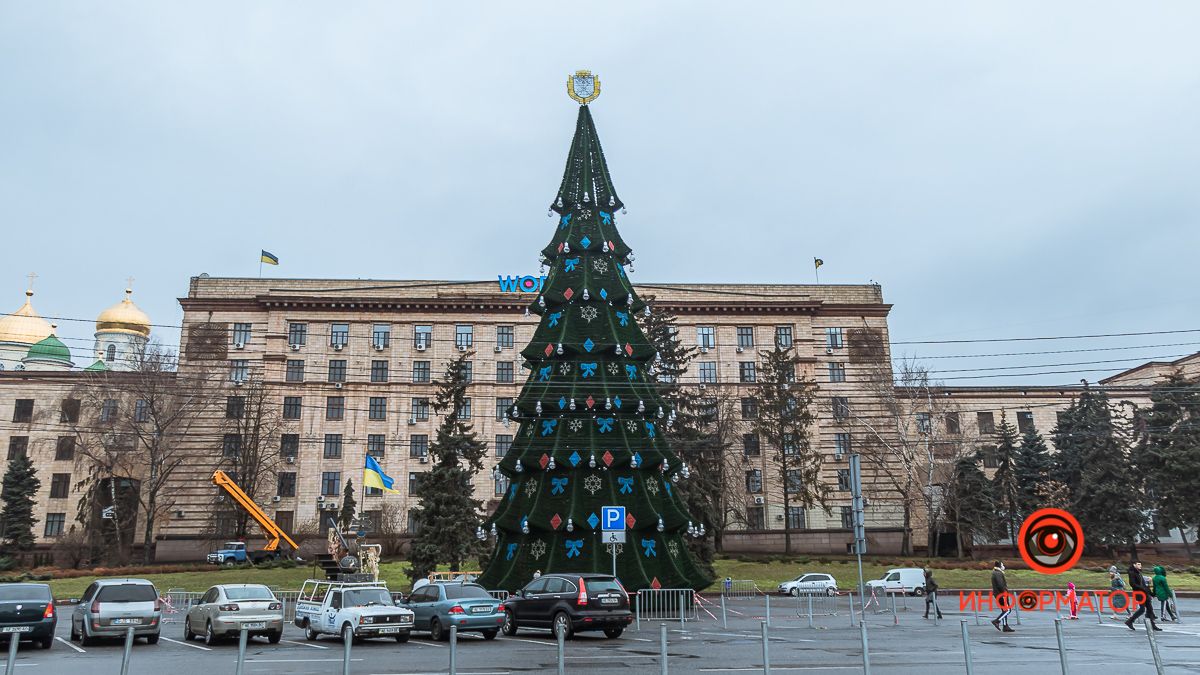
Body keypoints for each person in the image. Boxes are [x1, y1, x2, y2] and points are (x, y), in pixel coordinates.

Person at [1126, 561, 1162, 631]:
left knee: (1150, 609)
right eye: (1138, 564)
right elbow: (1133, 584)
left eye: (1140, 564)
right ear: (1134, 565)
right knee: (1142, 609)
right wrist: (1143, 588)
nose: (1140, 565)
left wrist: (1150, 592)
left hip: (1144, 593)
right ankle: (1130, 621)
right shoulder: (1132, 573)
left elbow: (1143, 584)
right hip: (1139, 593)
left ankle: (1152, 625)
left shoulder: (1138, 572)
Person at [990, 560, 1014, 632]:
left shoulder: (995, 573)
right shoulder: (998, 574)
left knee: (1004, 610)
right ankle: (997, 621)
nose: (1004, 567)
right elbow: (1000, 585)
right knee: (1008, 610)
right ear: (999, 566)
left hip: (998, 594)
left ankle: (1005, 625)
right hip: (1002, 594)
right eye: (1002, 565)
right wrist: (1005, 592)